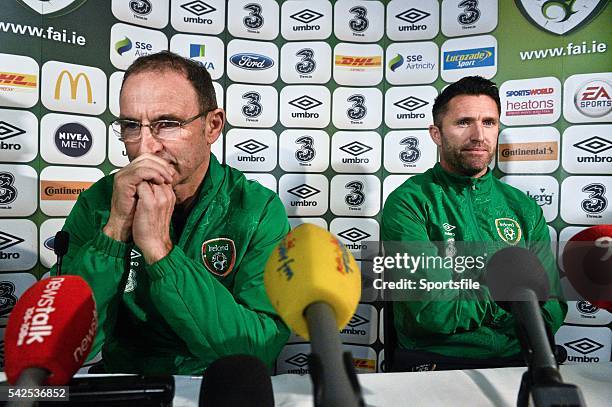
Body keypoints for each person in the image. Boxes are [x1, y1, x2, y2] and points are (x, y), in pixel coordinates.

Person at [51, 51, 290, 374]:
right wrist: (116, 231)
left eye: (167, 124)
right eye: (131, 125)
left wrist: (160, 252)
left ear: (212, 125)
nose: (146, 146)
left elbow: (254, 349)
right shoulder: (98, 203)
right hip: (124, 383)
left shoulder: (256, 209)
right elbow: (64, 345)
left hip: (213, 386)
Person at [381, 76, 567, 371]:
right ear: (436, 134)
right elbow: (433, 310)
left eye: (489, 122)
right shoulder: (409, 202)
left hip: (518, 360)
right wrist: (514, 300)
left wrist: (476, 296)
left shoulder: (523, 206)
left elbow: (551, 309)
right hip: (438, 362)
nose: (479, 135)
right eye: (464, 122)